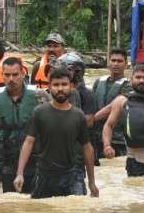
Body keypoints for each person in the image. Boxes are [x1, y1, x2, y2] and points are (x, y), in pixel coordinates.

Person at [0, 58, 50, 192]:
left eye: (15, 75)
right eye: (7, 75)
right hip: (7, 156)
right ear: (2, 75)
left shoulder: (38, 95)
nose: (11, 79)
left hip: (34, 156)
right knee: (9, 198)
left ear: (23, 74)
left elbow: (52, 118)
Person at [14, 68, 99, 198]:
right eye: (56, 85)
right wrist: (20, 174)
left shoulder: (78, 115)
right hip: (45, 174)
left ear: (71, 86)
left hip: (72, 175)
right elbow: (28, 142)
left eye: (64, 84)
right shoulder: (39, 112)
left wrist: (92, 182)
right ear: (49, 87)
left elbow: (87, 147)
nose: (60, 88)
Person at [92, 48, 132, 160]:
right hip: (97, 137)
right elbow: (91, 103)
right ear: (108, 63)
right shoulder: (98, 82)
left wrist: (93, 119)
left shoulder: (129, 86)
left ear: (126, 64)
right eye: (113, 60)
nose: (115, 64)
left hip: (117, 139)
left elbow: (113, 106)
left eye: (119, 61)